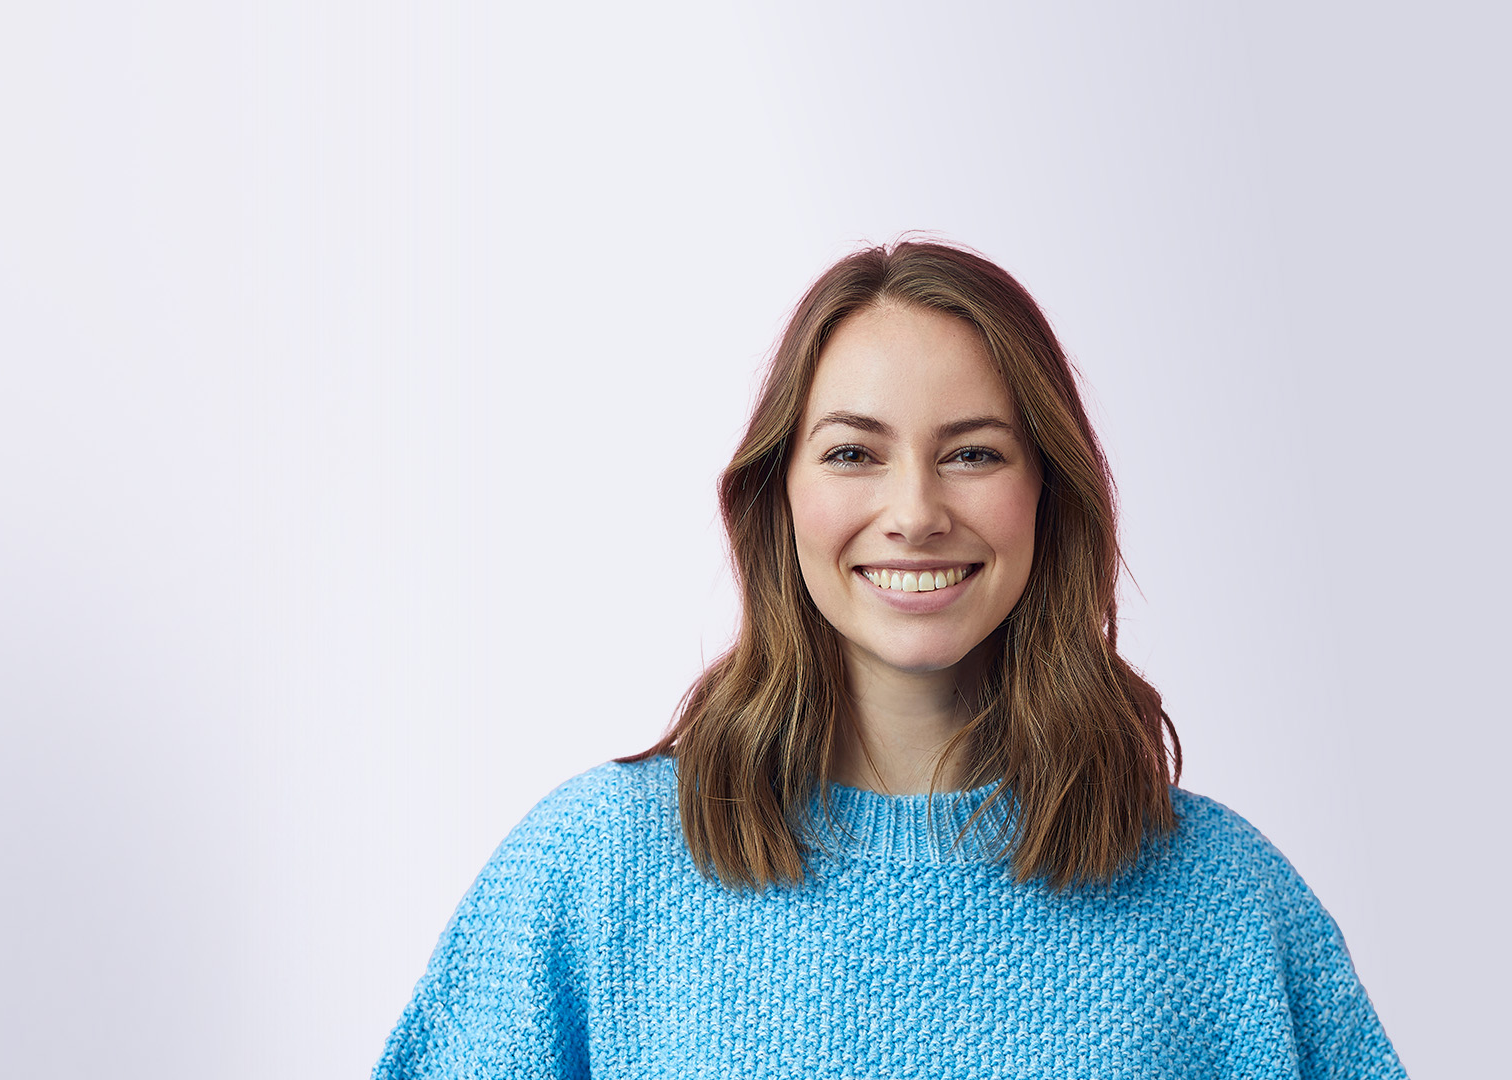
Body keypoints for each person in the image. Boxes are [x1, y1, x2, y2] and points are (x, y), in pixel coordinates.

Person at [373, 241, 1407, 1078]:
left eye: (972, 452)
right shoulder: (592, 874)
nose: (913, 513)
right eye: (852, 453)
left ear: (1047, 494)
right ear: (777, 496)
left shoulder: (1221, 904)